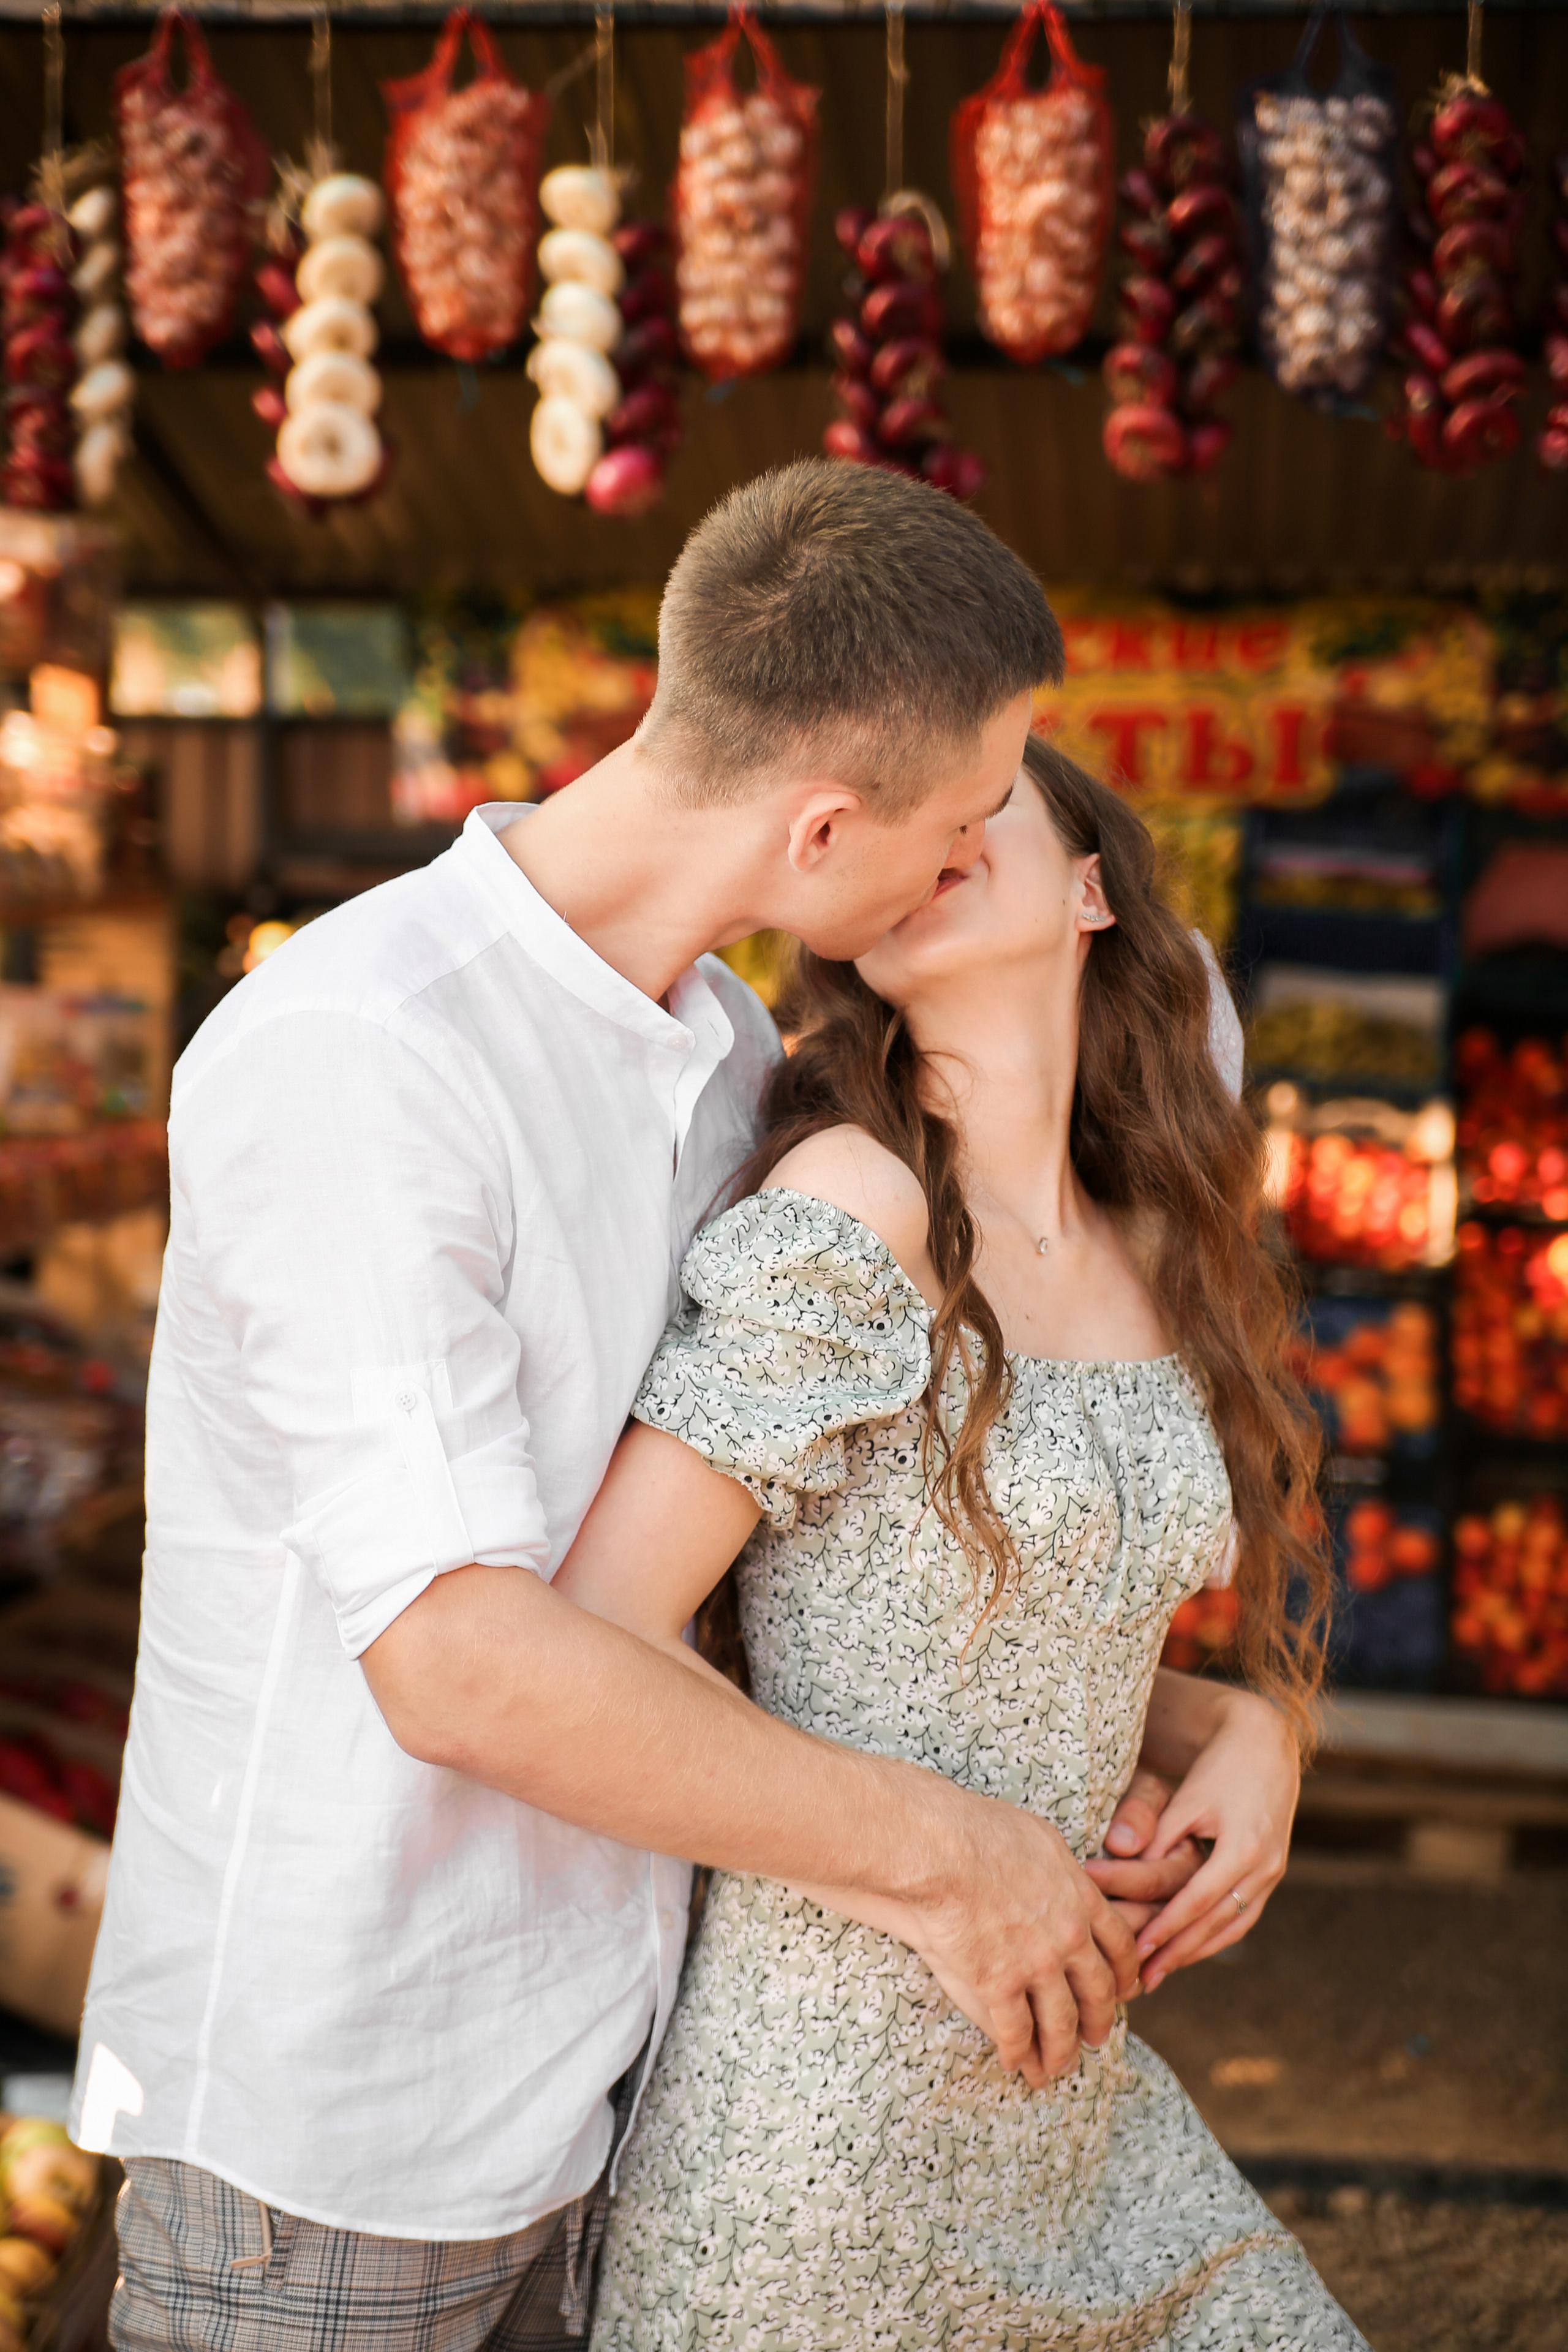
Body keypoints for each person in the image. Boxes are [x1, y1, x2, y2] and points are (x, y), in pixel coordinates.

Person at [75, 464, 1300, 2352]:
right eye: (964, 818)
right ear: (824, 832)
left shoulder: (729, 1059)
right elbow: (463, 1666)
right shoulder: (364, 1049)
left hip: (630, 2085)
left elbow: (821, 1572)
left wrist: (1219, 1718)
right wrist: (955, 1857)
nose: (968, 856)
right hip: (353, 2137)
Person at [559, 733, 1361, 2350]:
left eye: (987, 798)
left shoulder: (1155, 1241)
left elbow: (993, 1631)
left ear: (1092, 892)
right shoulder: (856, 1205)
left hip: (1070, 2101)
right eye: (911, 812)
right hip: (819, 2140)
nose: (942, 828)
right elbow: (592, 1639)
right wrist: (948, 1859)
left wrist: (1250, 1729)